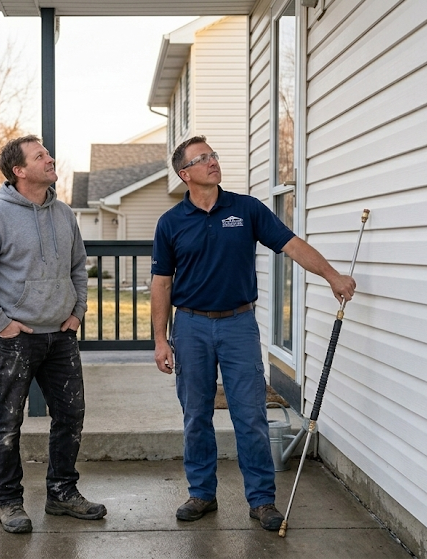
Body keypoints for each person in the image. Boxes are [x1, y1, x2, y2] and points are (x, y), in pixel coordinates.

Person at [150, 136, 356, 531]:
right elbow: (161, 283)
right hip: (190, 326)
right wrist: (161, 340)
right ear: (185, 174)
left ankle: (262, 500)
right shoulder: (171, 222)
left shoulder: (246, 209)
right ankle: (201, 493)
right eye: (202, 158)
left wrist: (332, 276)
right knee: (196, 415)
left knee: (250, 415)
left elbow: (292, 245)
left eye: (213, 155)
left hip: (238, 325)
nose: (212, 161)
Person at [0, 135, 106, 534]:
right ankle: (9, 503)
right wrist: (1, 322)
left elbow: (78, 267)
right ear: (19, 171)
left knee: (71, 416)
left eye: (48, 153)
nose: (50, 158)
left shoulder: (64, 214)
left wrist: (77, 312)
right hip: (15, 339)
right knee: (7, 424)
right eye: (40, 155)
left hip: (61, 336)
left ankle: (62, 493)